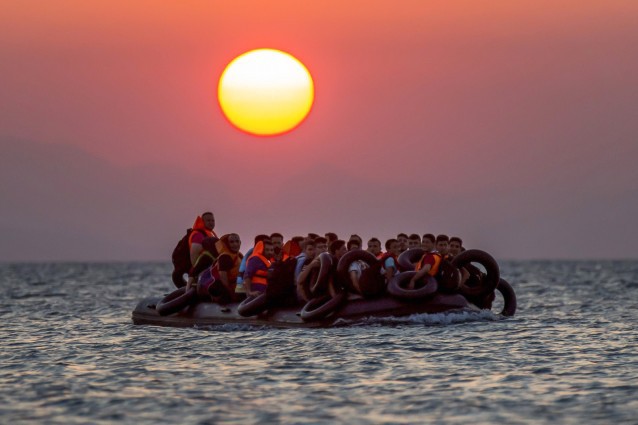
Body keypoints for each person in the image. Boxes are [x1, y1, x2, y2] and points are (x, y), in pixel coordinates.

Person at [187, 234, 242, 304]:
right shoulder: (225, 257)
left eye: (237, 241)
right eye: (232, 242)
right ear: (227, 244)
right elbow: (223, 279)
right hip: (219, 289)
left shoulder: (239, 256)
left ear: (240, 242)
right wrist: (233, 295)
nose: (235, 244)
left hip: (235, 285)